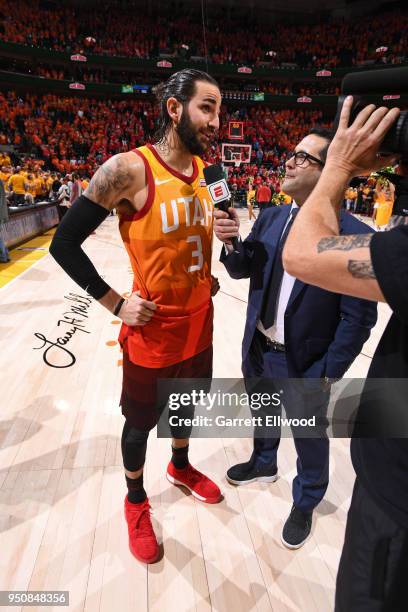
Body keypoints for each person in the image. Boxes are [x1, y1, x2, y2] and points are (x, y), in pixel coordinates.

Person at [50, 69, 223, 565]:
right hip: (153, 332)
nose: (216, 120)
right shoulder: (129, 168)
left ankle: (181, 467)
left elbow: (192, 247)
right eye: (206, 107)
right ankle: (134, 501)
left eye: (219, 110)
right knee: (140, 423)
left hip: (201, 322)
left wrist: (210, 272)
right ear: (175, 109)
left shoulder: (211, 176)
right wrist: (115, 303)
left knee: (187, 408)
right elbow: (63, 243)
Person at [213, 127, 377, 549]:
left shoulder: (355, 234)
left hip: (306, 364)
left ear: (330, 172)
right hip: (259, 347)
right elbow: (243, 268)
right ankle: (264, 462)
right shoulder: (271, 216)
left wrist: (326, 372)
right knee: (264, 415)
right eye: (293, 153)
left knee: (308, 435)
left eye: (303, 158)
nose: (289, 162)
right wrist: (232, 246)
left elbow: (359, 317)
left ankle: (305, 499)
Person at [283, 97, 407, 610]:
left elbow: (303, 254)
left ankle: (307, 497)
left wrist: (341, 164)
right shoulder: (272, 215)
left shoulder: (373, 241)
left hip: (394, 505)